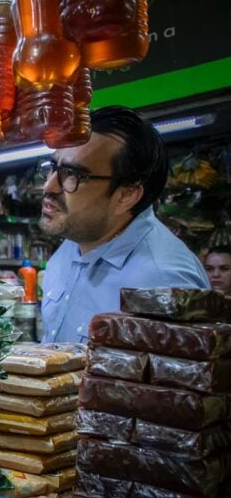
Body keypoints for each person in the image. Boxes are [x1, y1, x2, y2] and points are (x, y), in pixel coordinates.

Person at [39, 106, 209, 344]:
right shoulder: (73, 243)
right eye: (52, 168)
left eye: (72, 175)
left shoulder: (165, 281)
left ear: (125, 196)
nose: (48, 187)